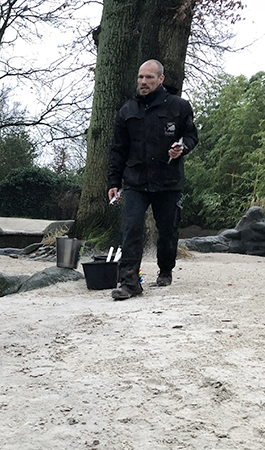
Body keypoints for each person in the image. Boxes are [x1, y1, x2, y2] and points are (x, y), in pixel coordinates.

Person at [107, 59, 199, 300]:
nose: (143, 82)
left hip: (168, 180)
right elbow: (118, 150)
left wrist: (182, 147)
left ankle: (165, 269)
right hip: (136, 180)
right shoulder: (127, 111)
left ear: (161, 79)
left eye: (149, 77)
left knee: (167, 230)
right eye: (140, 77)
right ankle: (129, 282)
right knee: (132, 228)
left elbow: (191, 136)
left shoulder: (179, 107)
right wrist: (113, 182)